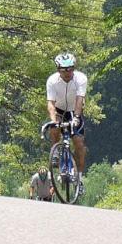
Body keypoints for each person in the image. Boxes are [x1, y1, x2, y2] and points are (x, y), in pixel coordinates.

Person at [46, 52, 87, 195]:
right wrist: (53, 120)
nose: (67, 72)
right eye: (64, 69)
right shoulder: (52, 81)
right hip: (59, 110)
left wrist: (76, 117)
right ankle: (55, 151)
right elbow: (50, 103)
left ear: (74, 67)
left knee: (79, 143)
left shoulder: (80, 78)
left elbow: (79, 100)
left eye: (70, 68)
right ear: (58, 69)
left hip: (73, 110)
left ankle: (79, 180)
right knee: (55, 126)